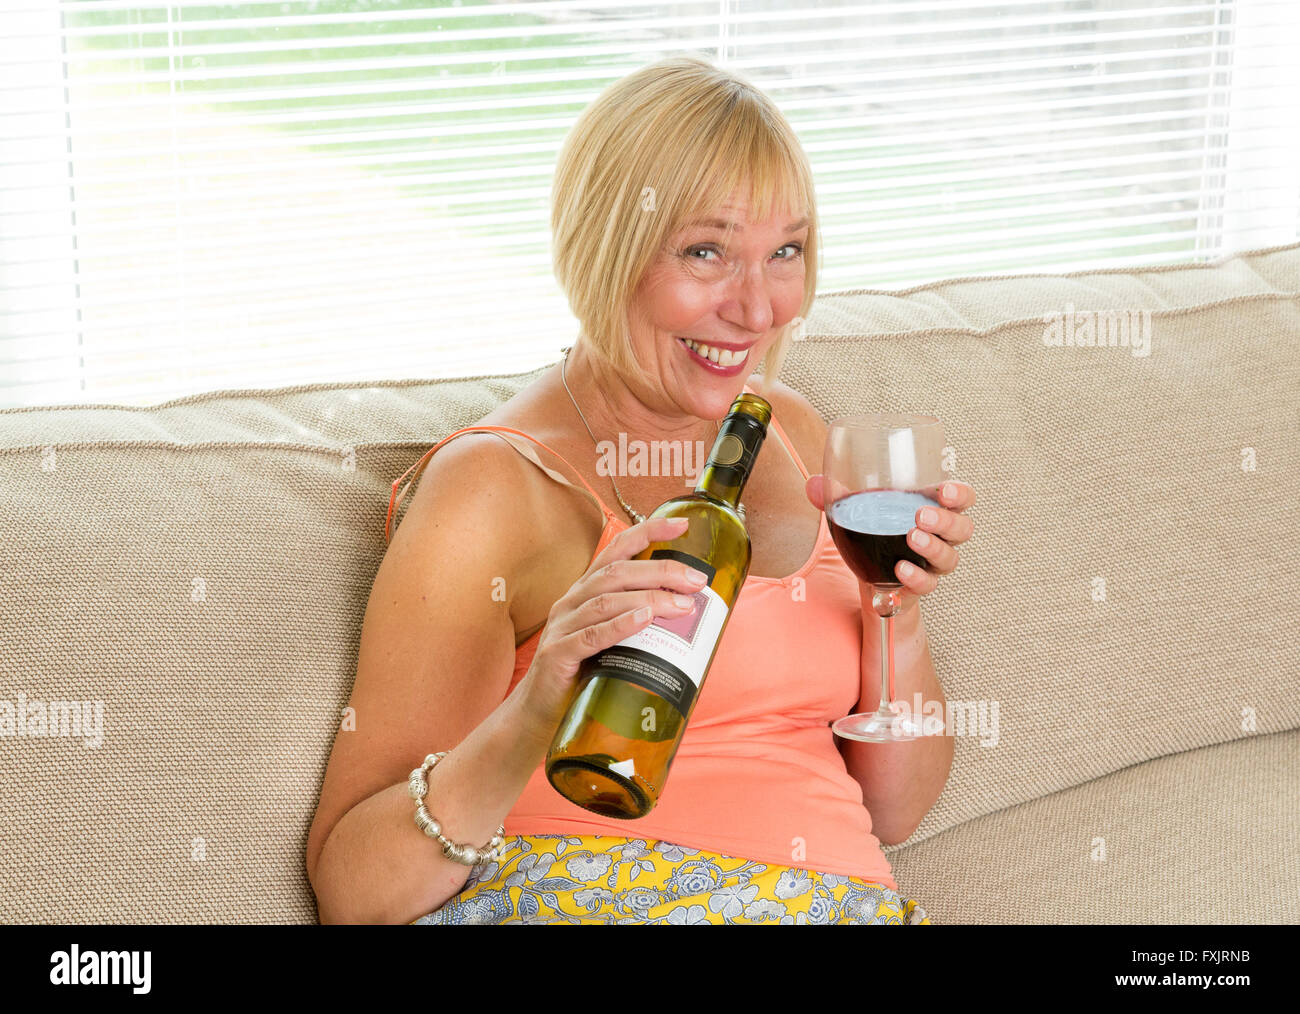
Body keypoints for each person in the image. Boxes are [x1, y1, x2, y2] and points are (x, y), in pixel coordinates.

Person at [305, 54, 975, 925]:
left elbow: (897, 810)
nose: (759, 307)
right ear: (605, 250)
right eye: (707, 251)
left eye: (786, 252)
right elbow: (356, 893)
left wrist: (898, 604)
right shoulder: (493, 489)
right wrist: (540, 701)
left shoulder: (797, 439)